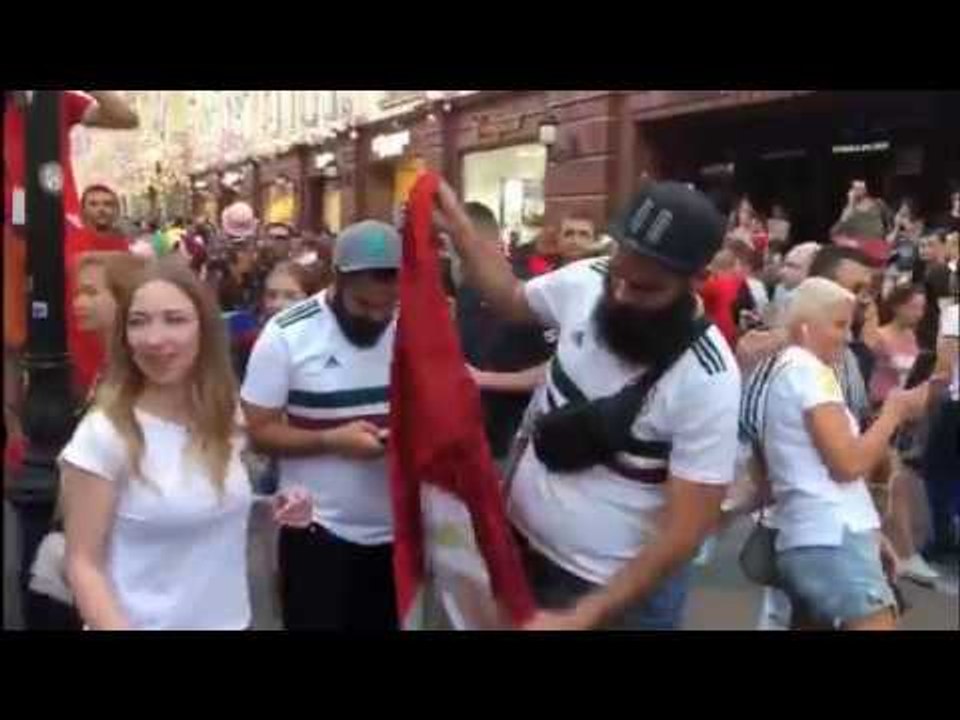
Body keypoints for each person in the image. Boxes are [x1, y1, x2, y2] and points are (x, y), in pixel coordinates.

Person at [435, 180, 741, 630]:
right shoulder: (589, 279)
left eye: (646, 288)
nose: (621, 295)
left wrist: (585, 616)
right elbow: (511, 298)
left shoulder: (710, 378)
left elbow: (685, 530)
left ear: (696, 279)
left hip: (611, 596)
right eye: (619, 275)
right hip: (517, 552)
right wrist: (461, 232)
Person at [60, 259, 310, 630]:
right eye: (138, 322)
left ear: (204, 330)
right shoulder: (102, 436)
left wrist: (270, 507)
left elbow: (204, 508)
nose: (155, 338)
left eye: (174, 319)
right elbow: (82, 564)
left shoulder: (224, 415)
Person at [241, 221, 402, 631]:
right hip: (317, 531)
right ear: (337, 281)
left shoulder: (412, 323)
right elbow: (258, 430)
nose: (379, 317)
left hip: (399, 533)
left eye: (388, 305)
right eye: (365, 305)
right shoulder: (286, 335)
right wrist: (331, 441)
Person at [747, 278, 930, 630]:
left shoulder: (786, 371)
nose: (848, 337)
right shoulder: (808, 372)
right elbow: (848, 463)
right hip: (830, 534)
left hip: (818, 532)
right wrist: (894, 412)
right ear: (805, 327)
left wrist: (870, 533)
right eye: (839, 325)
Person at [454, 202, 557, 467]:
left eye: (445, 245)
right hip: (469, 440)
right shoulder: (465, 290)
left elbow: (558, 367)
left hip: (515, 444)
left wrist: (484, 379)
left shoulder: (533, 290)